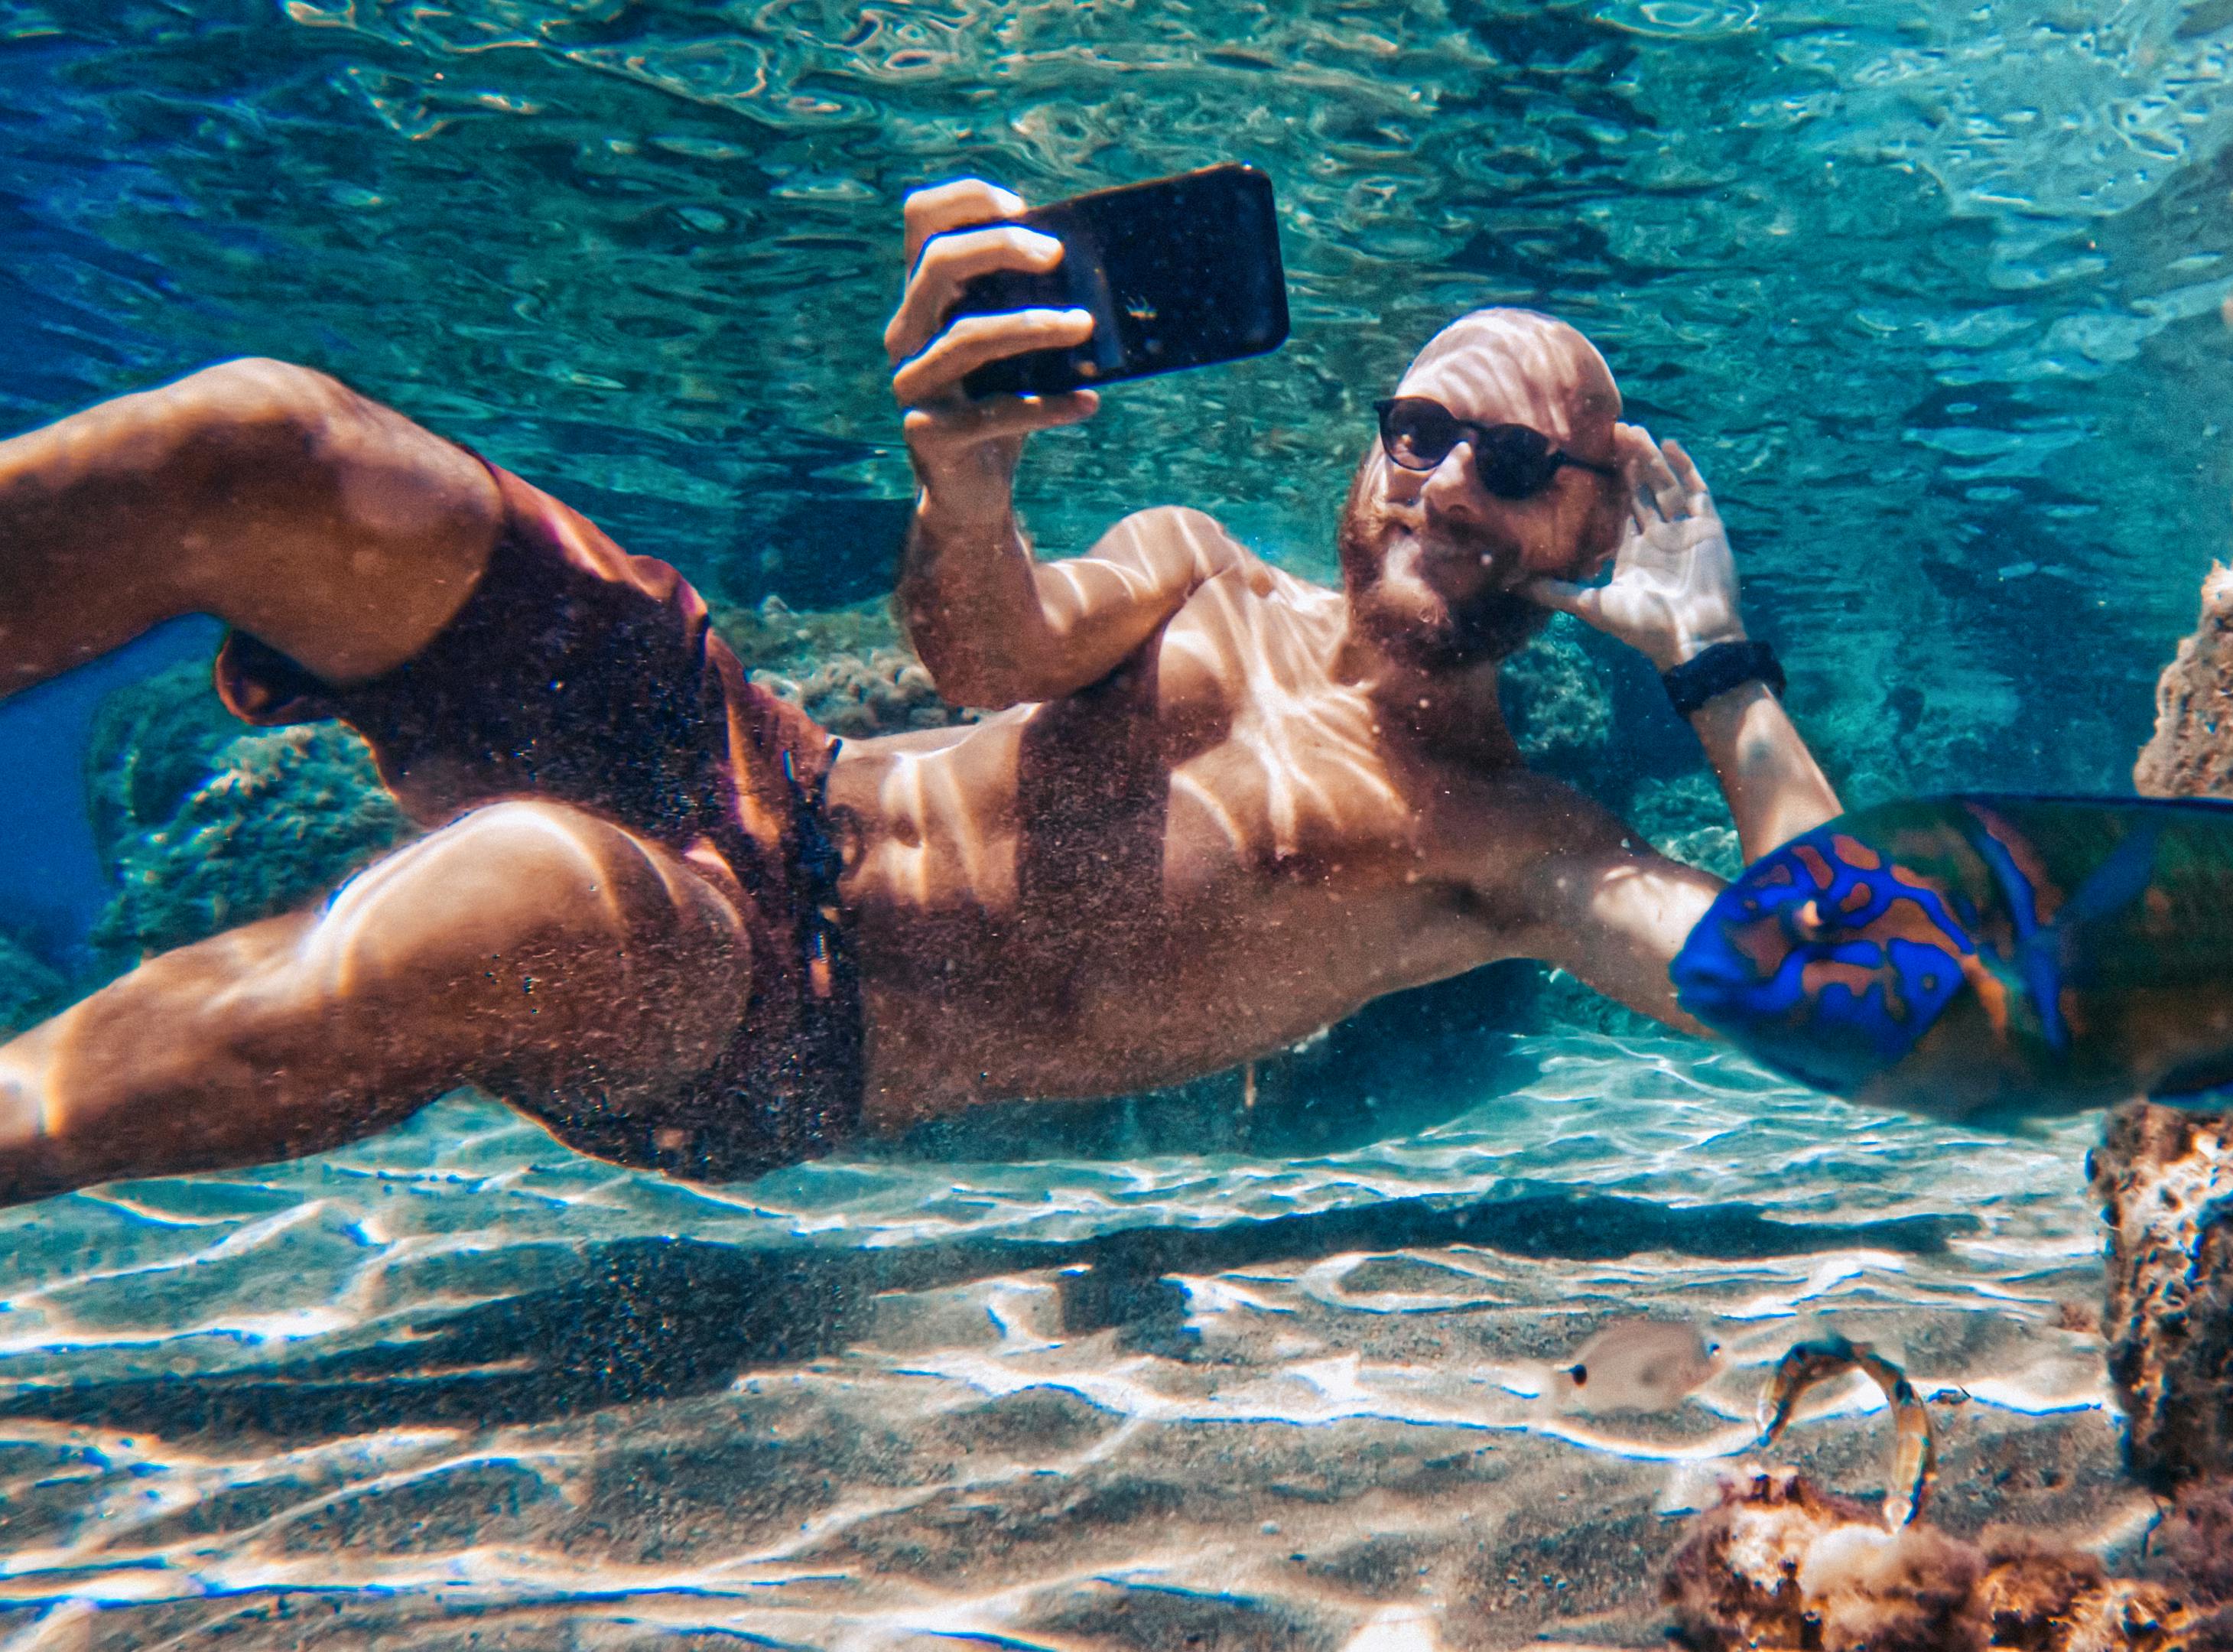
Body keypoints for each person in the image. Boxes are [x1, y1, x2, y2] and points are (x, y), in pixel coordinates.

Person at [0, 177, 1841, 1205]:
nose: (1446, 483)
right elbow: (990, 652)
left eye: (1517, 468)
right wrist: (965, 486)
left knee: (520, 900)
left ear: (1595, 532)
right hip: (746, 757)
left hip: (774, 1021)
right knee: (268, 445)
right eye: (1420, 432)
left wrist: (1712, 654)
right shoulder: (1199, 561)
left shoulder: (1515, 849)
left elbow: (1857, 988)